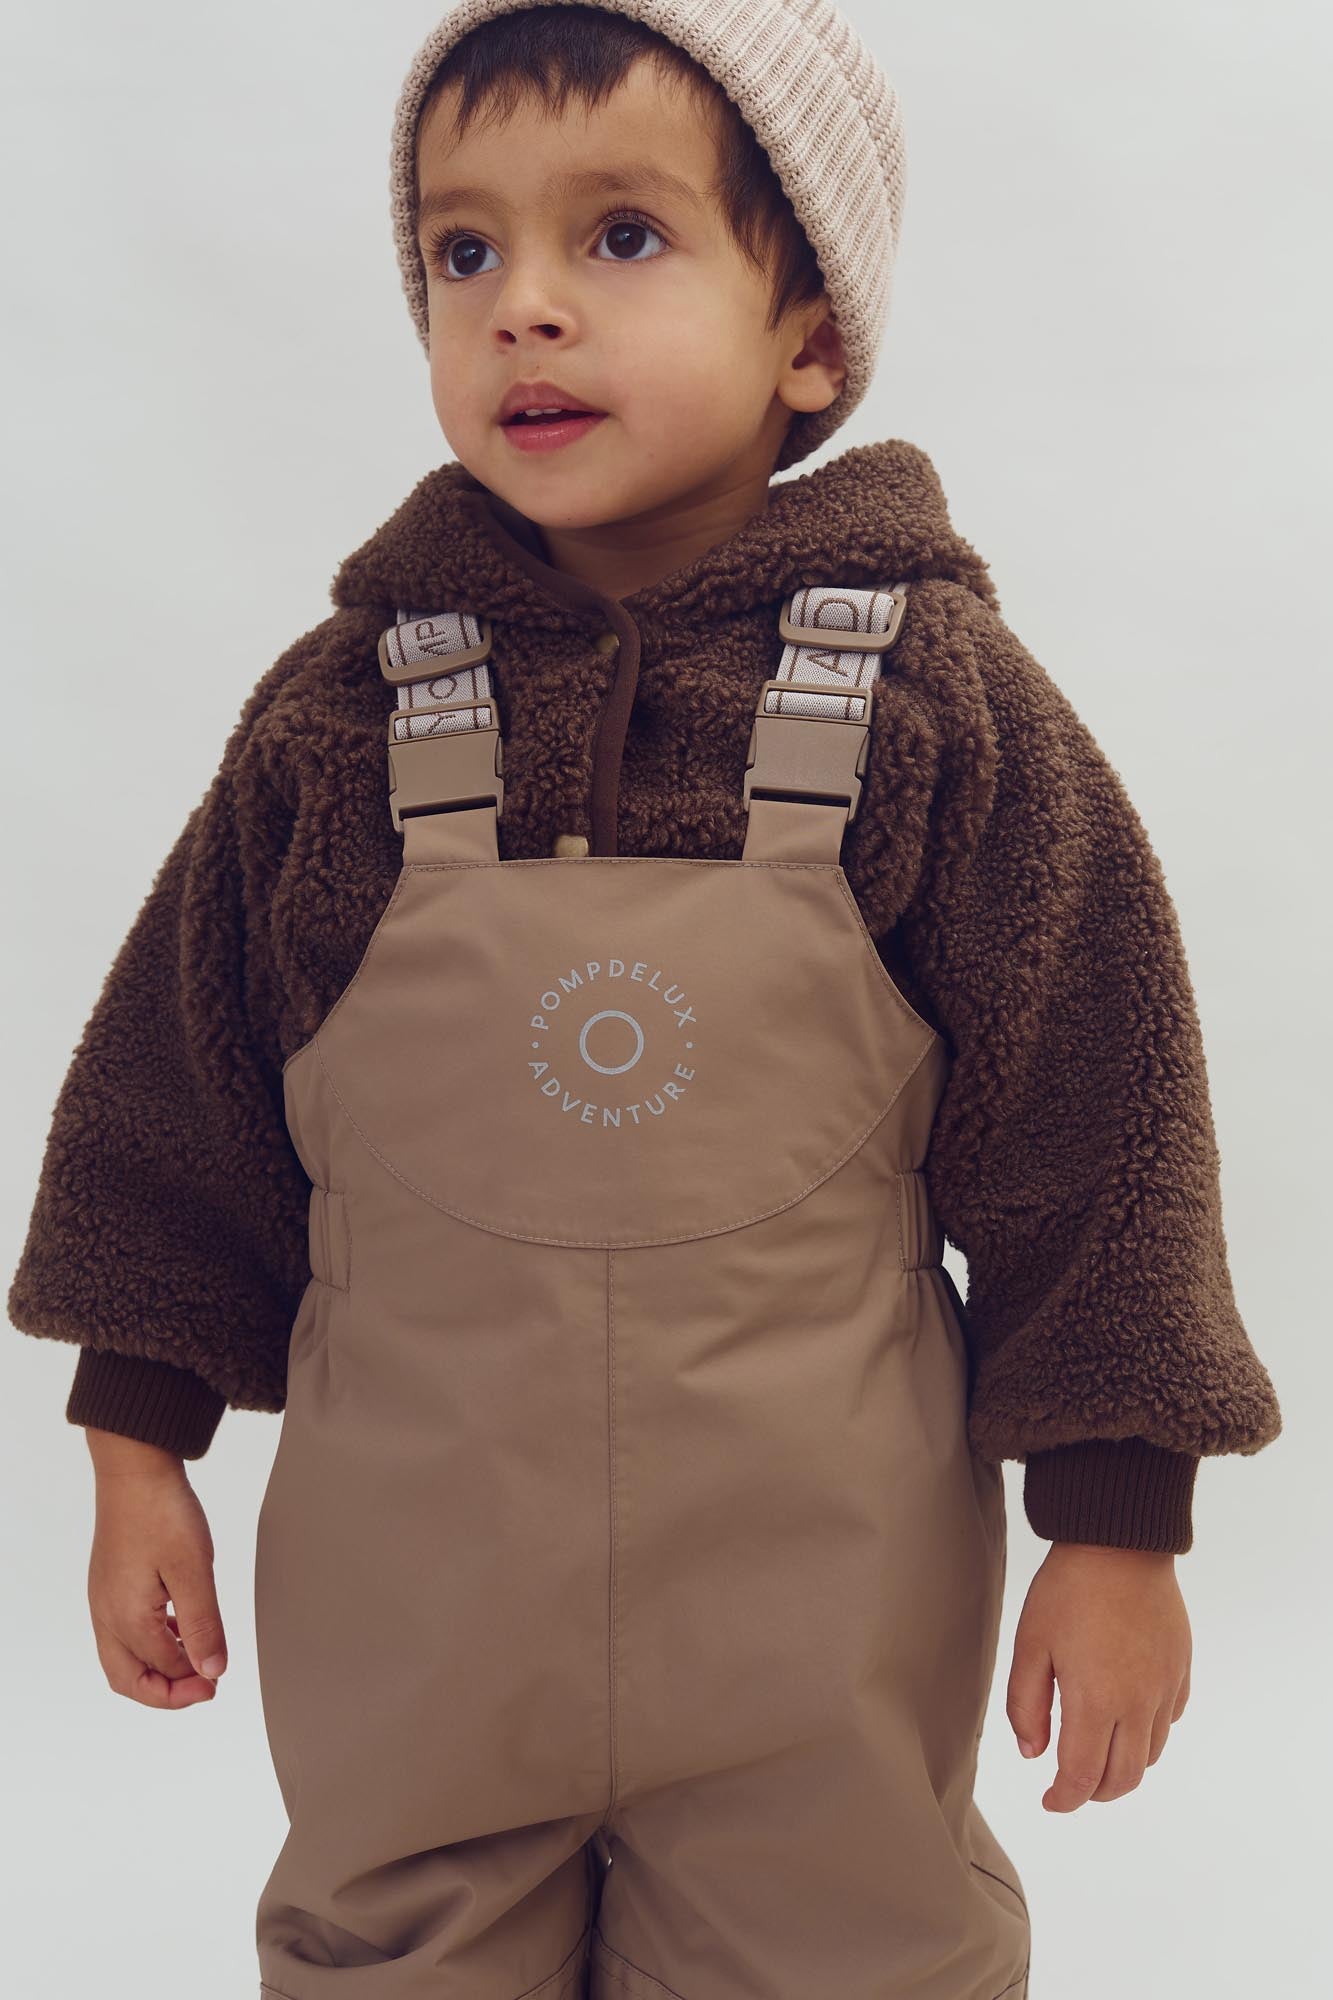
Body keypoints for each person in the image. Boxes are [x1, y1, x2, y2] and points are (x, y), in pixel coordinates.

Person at [7, 4, 1283, 1996]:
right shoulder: (345, 716)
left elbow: (1100, 1112)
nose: (522, 307)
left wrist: (1118, 1522)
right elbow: (173, 1101)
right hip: (414, 1616)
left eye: (619, 239)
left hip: (822, 1625)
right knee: (385, 1954)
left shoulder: (936, 710)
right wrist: (133, 1442)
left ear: (810, 338)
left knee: (855, 1953)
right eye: (461, 251)